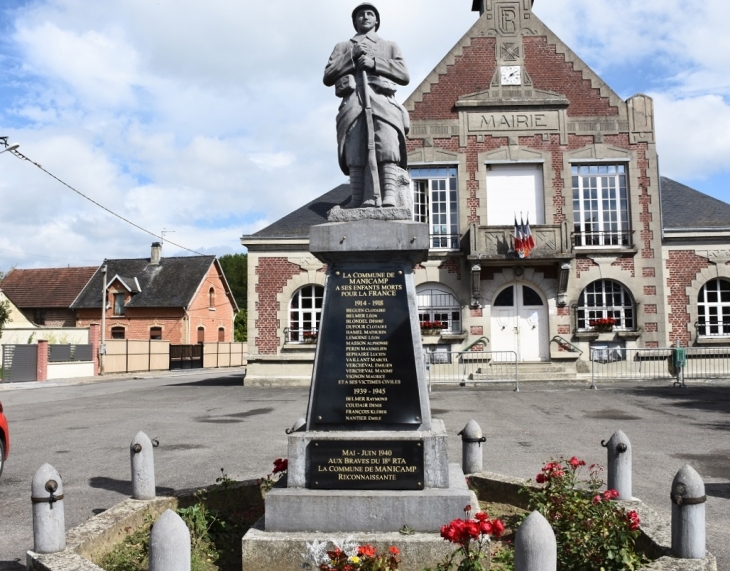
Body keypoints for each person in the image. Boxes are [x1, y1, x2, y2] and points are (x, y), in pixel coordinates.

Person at [324, 3, 410, 207]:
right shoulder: (343, 46)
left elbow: (404, 74)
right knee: (355, 150)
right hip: (354, 102)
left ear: (377, 20)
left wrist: (374, 62)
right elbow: (328, 75)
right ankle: (357, 198)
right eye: (360, 15)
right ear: (355, 21)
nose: (365, 17)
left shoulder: (389, 46)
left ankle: (389, 195)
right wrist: (351, 56)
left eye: (370, 14)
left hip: (382, 101)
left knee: (387, 146)